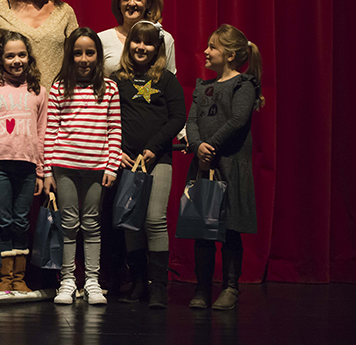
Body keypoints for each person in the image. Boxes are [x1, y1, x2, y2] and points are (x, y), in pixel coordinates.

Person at [186, 24, 264, 310]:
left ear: (230, 55)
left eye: (213, 47)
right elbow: (192, 121)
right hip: (204, 166)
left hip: (230, 166)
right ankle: (202, 287)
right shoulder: (203, 87)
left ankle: (231, 287)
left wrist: (211, 146)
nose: (206, 51)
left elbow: (238, 120)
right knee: (201, 229)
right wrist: (197, 146)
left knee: (231, 229)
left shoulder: (243, 85)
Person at [44, 27, 122, 306]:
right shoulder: (59, 88)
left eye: (90, 53)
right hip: (64, 166)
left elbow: (114, 130)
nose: (84, 59)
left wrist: (111, 167)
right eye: (78, 53)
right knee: (68, 224)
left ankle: (91, 281)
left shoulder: (109, 88)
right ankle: (67, 280)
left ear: (98, 56)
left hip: (96, 168)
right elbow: (51, 130)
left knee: (91, 224)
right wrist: (47, 171)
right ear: (70, 56)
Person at [111, 21, 186, 309]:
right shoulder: (117, 79)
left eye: (148, 43)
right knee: (131, 222)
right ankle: (139, 282)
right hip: (127, 161)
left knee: (154, 219)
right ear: (128, 44)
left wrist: (154, 148)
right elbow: (107, 119)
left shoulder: (167, 80)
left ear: (158, 49)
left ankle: (158, 287)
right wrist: (116, 150)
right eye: (136, 42)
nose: (141, 47)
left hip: (158, 160)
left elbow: (178, 117)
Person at [0, 31, 47, 292]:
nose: (16, 60)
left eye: (21, 55)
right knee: (3, 220)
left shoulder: (38, 92)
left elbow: (42, 131)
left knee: (21, 221)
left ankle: (19, 278)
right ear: (1, 59)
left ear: (29, 58)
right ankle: (4, 278)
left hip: (28, 165)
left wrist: (42, 171)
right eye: (10, 56)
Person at [99, 0, 176, 77]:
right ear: (118, 3)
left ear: (148, 2)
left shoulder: (164, 39)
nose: (131, 3)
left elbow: (170, 85)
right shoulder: (101, 39)